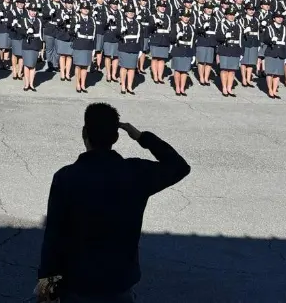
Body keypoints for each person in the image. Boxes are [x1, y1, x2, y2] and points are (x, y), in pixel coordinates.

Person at [36, 103, 190, 303]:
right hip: (119, 282)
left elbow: (53, 237)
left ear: (84, 133)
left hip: (76, 283)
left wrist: (46, 290)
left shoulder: (66, 177)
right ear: (116, 137)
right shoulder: (136, 173)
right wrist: (141, 137)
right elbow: (179, 167)